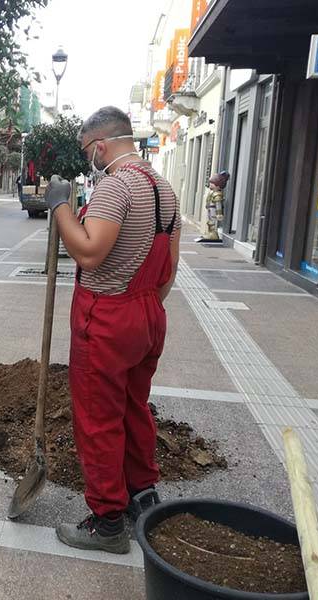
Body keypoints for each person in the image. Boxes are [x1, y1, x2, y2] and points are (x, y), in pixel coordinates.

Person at [46, 106, 180, 554]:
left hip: (105, 316)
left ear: (100, 146)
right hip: (147, 314)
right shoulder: (164, 189)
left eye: (88, 151)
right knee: (133, 407)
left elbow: (88, 253)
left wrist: (61, 206)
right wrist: (142, 311)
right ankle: (143, 496)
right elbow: (169, 270)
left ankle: (106, 522)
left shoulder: (114, 186)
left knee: (98, 419)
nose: (89, 159)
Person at [197, 171, 229, 242]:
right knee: (210, 221)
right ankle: (210, 233)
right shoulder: (212, 192)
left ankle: (213, 234)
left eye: (212, 183)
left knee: (212, 221)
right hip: (210, 208)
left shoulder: (217, 194)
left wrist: (219, 213)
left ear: (218, 185)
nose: (210, 184)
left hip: (213, 209)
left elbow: (218, 204)